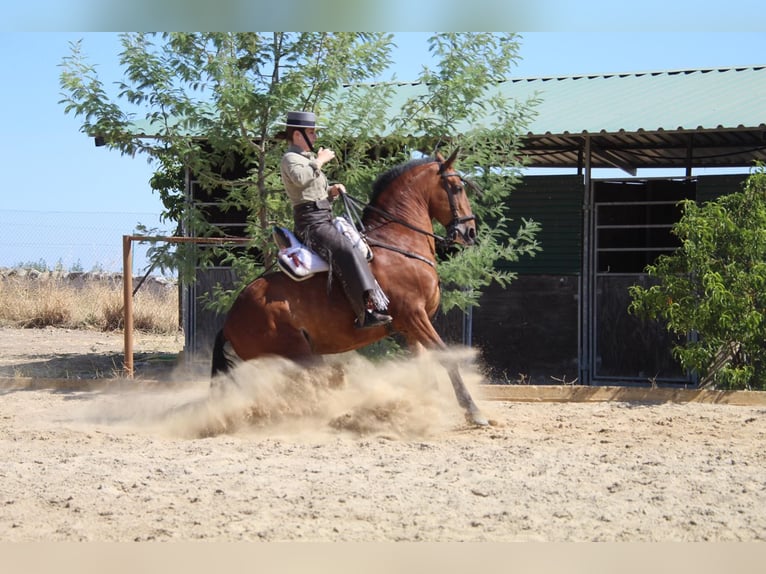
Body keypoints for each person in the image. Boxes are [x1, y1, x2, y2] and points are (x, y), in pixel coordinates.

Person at [278, 110, 392, 329]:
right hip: (311, 224)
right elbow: (301, 180)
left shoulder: (306, 159)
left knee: (361, 246)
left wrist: (331, 191)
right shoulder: (290, 158)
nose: (315, 137)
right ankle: (364, 313)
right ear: (297, 135)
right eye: (311, 132)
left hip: (324, 217)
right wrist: (319, 161)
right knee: (346, 251)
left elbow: (314, 192)